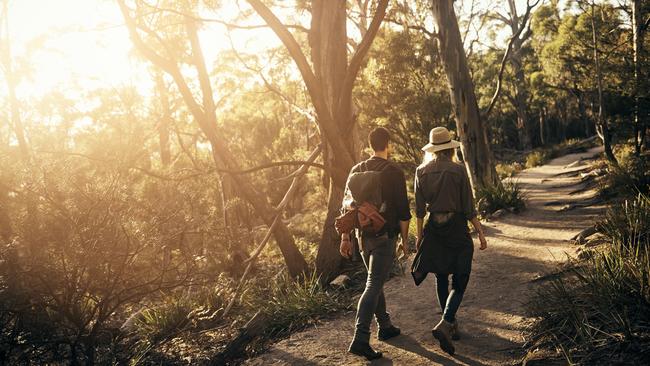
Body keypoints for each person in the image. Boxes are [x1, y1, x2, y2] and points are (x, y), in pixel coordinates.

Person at [411, 126, 488, 356]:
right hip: (456, 228)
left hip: (434, 228)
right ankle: (446, 322)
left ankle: (450, 324)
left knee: (441, 275)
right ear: (449, 148)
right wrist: (480, 232)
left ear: (433, 149)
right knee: (461, 277)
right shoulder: (458, 170)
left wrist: (420, 236)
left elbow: (419, 210)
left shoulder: (420, 171)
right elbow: (468, 207)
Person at [340, 127, 411, 361]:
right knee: (373, 283)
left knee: (375, 280)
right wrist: (405, 240)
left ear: (370, 145)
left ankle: (385, 325)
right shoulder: (393, 171)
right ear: (387, 144)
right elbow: (403, 210)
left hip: (362, 237)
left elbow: (347, 207)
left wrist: (345, 237)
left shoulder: (356, 169)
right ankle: (360, 338)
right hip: (384, 236)